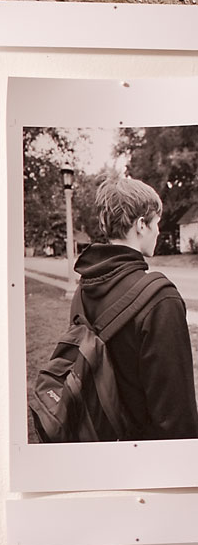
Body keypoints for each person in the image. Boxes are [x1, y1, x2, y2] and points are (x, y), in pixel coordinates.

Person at [74, 176, 198, 441]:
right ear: (141, 224)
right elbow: (176, 417)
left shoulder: (84, 289)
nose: (158, 231)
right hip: (145, 454)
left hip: (99, 444)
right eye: (156, 222)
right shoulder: (160, 299)